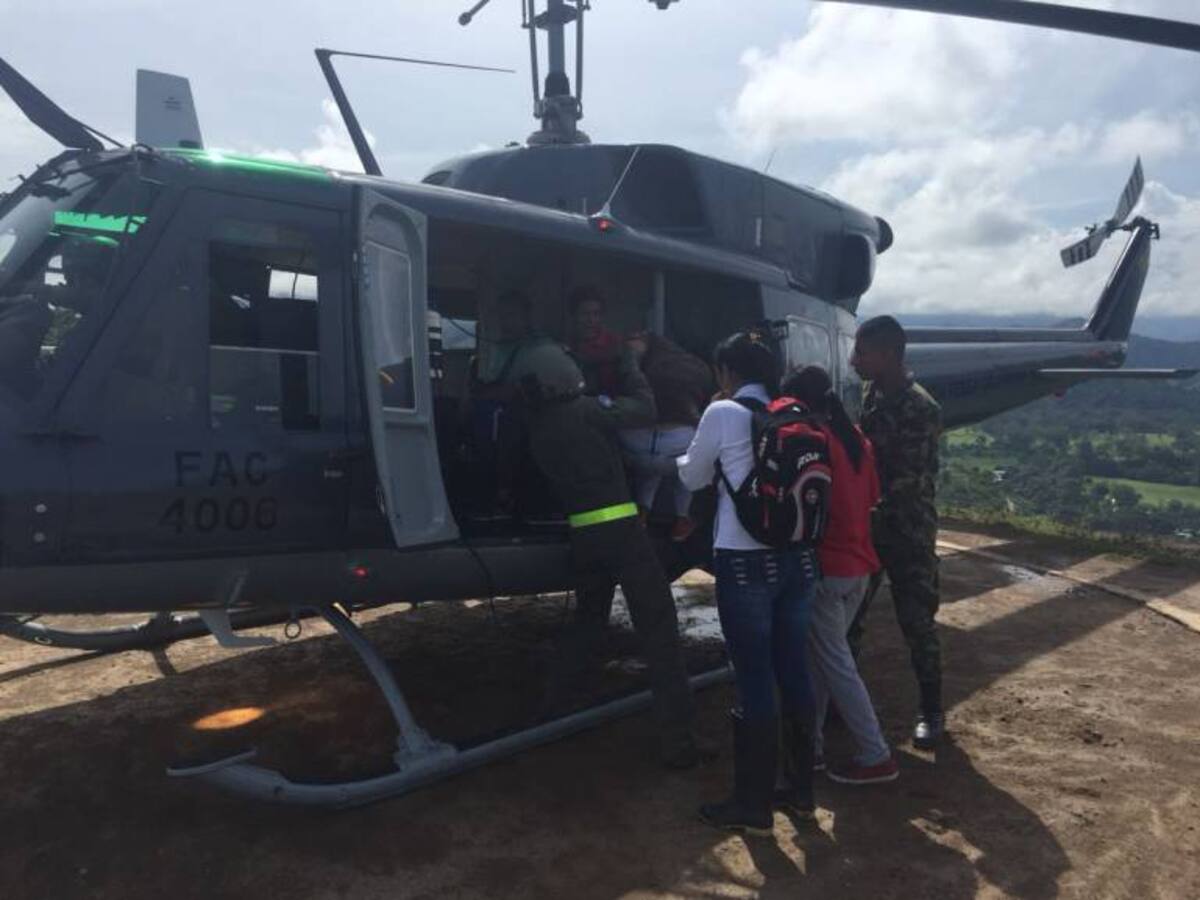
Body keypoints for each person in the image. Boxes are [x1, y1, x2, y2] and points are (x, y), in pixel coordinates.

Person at [515, 337, 705, 769]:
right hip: (622, 533)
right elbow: (644, 409)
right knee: (658, 627)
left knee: (587, 623)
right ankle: (680, 741)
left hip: (583, 539)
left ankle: (552, 708)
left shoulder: (539, 428)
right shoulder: (585, 412)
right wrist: (631, 362)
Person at [676, 331, 822, 835]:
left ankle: (752, 805)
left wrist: (682, 455)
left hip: (744, 562)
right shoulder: (795, 412)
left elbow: (693, 478)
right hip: (800, 559)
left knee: (754, 678)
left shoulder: (723, 412)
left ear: (727, 372)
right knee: (794, 670)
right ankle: (801, 793)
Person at [781, 366, 898, 784]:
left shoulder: (812, 443)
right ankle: (810, 747)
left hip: (828, 570)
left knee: (836, 664)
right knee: (824, 662)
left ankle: (875, 754)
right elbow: (871, 498)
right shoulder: (856, 440)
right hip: (859, 567)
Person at [850, 315, 945, 749]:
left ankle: (932, 710)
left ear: (888, 355)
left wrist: (863, 506)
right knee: (849, 617)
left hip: (907, 531)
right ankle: (844, 703)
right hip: (870, 527)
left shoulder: (920, 408)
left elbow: (909, 478)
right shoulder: (871, 396)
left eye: (862, 353)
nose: (854, 361)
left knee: (917, 622)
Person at [619, 331, 713, 542]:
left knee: (650, 469)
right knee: (685, 467)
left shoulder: (636, 368)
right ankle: (683, 518)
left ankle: (642, 511)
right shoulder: (696, 368)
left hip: (637, 447)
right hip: (678, 448)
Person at [567, 285, 623, 396]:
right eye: (585, 314)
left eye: (596, 314)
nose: (591, 320)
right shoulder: (564, 346)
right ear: (573, 316)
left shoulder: (615, 345)